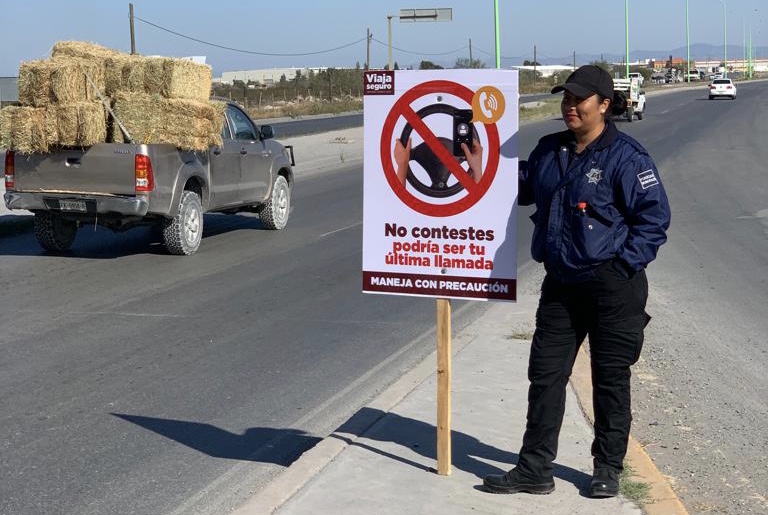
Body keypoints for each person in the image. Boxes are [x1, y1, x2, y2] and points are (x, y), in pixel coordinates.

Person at [483, 65, 671, 498]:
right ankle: (534, 468)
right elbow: (524, 186)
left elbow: (654, 220)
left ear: (604, 105)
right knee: (545, 375)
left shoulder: (627, 157)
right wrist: (481, 161)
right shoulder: (551, 150)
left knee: (610, 379)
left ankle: (606, 467)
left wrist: (621, 267)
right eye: (565, 98)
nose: (569, 106)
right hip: (561, 285)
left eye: (579, 99)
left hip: (612, 287)